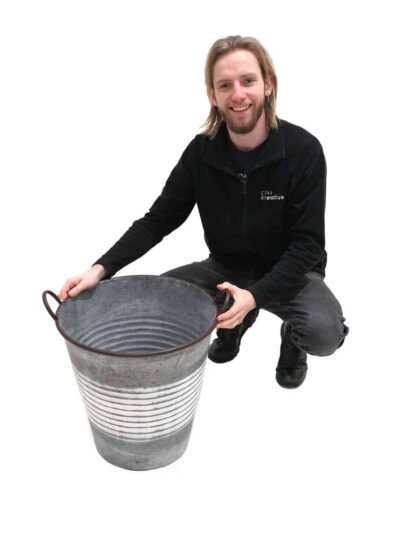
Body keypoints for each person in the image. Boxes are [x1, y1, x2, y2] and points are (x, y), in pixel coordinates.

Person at [59, 35, 349, 389]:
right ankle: (234, 321)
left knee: (323, 332)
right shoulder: (201, 153)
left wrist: (255, 296)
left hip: (291, 272)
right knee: (158, 302)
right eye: (225, 85)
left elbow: (308, 245)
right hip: (226, 268)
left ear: (268, 84)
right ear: (213, 95)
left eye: (248, 81)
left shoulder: (303, 150)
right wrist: (101, 268)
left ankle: (291, 337)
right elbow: (157, 221)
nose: (237, 94)